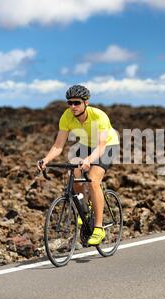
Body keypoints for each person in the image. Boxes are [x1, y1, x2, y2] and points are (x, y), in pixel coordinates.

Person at [37, 85, 120, 246]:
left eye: (76, 103)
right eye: (69, 103)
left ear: (86, 102)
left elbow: (102, 146)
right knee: (74, 174)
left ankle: (99, 228)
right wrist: (46, 160)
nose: (73, 107)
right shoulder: (67, 117)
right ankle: (84, 207)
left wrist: (89, 159)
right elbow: (58, 146)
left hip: (107, 145)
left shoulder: (99, 116)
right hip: (85, 144)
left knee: (93, 180)